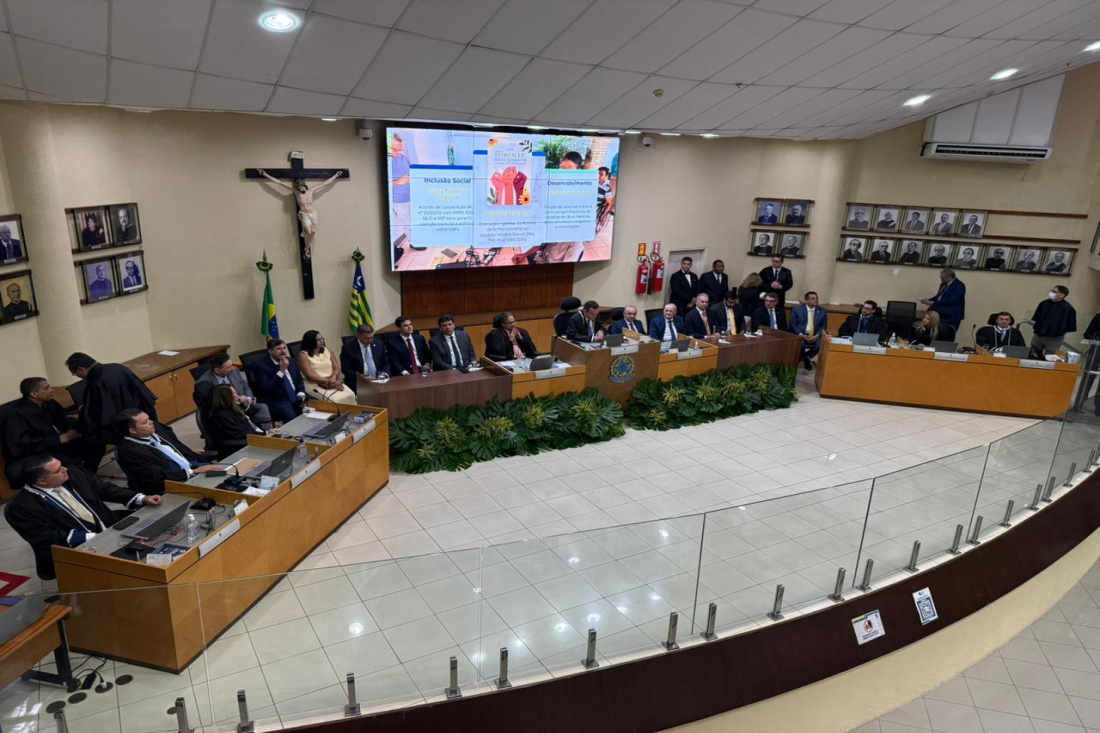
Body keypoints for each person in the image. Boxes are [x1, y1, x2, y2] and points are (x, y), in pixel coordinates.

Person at [5, 456, 161, 579]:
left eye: (62, 465)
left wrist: (142, 498)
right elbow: (47, 538)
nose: (65, 469)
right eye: (58, 470)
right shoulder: (21, 508)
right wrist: (99, 537)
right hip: (78, 550)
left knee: (156, 532)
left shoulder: (75, 474)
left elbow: (105, 490)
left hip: (109, 529)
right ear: (42, 481)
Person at [2, 378, 106, 480]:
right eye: (46, 388)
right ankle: (78, 481)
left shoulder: (48, 402)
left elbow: (64, 417)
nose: (51, 390)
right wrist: (58, 439)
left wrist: (71, 430)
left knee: (97, 445)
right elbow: (22, 443)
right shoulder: (17, 414)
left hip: (61, 442)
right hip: (39, 450)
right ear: (34, 394)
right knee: (67, 461)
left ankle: (88, 477)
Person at [114, 409, 218, 495]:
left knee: (224, 475)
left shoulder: (156, 428)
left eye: (149, 419)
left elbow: (174, 443)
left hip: (191, 465)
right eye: (145, 422)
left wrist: (186, 451)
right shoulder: (129, 452)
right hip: (172, 483)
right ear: (133, 430)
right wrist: (193, 472)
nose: (151, 422)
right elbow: (156, 476)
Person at [64, 352, 158, 442]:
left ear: (81, 369)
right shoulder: (117, 367)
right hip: (143, 416)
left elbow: (97, 415)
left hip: (125, 428)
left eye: (75, 373)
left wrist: (82, 416)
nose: (78, 376)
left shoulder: (95, 383)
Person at [258, 168, 344, 259]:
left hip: (313, 213)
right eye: (298, 187)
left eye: (301, 187)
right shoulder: (296, 192)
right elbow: (279, 182)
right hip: (304, 214)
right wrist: (265, 174)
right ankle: (306, 243)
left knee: (313, 232)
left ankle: (306, 248)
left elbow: (325, 183)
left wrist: (336, 175)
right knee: (308, 231)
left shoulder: (311, 190)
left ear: (305, 186)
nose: (300, 188)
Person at [196, 353, 273, 430]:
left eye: (232, 365)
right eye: (228, 367)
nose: (233, 368)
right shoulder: (205, 383)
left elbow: (245, 386)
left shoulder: (234, 370)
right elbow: (214, 406)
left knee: (262, 407)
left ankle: (267, 432)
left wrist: (249, 398)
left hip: (243, 403)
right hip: (228, 411)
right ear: (217, 370)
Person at [248, 338, 308, 423]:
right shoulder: (261, 367)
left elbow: (299, 380)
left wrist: (301, 392)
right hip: (277, 400)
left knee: (319, 409)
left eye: (284, 348)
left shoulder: (291, 361)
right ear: (270, 351)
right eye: (279, 349)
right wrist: (281, 371)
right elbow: (266, 388)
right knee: (294, 420)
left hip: (296, 396)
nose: (283, 351)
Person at [205, 385, 265, 459]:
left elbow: (252, 412)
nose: (237, 394)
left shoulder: (233, 407)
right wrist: (264, 435)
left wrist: (244, 404)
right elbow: (240, 434)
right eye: (234, 393)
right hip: (239, 448)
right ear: (227, 397)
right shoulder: (222, 415)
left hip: (254, 436)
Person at [297, 330, 357, 405]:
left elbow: (336, 367)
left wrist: (334, 377)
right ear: (310, 341)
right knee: (335, 400)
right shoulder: (303, 355)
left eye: (322, 338)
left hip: (332, 381)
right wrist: (330, 381)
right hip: (314, 384)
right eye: (318, 340)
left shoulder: (328, 350)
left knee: (351, 395)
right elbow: (310, 376)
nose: (321, 341)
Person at [1030, 285, 1076, 357]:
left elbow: (1069, 325)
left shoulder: (1068, 308)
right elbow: (1037, 318)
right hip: (1039, 335)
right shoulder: (1044, 303)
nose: (1051, 292)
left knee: (1050, 357)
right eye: (1052, 291)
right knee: (1033, 354)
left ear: (1062, 295)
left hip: (1055, 338)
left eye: (1054, 291)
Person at [340, 324, 390, 388]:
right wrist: (361, 377)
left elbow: (386, 363)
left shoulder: (379, 344)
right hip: (358, 383)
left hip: (379, 380)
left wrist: (384, 374)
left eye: (372, 337)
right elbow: (346, 369)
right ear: (358, 336)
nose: (370, 340)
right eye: (366, 338)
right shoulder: (348, 348)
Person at [789, 291, 827, 369]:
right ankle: (806, 360)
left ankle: (806, 357)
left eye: (816, 298)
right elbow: (793, 324)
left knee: (822, 343)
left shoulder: (822, 311)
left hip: (815, 334)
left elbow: (824, 326)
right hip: (801, 334)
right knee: (800, 344)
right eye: (813, 299)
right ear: (806, 300)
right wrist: (800, 334)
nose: (816, 300)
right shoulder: (797, 309)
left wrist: (817, 335)